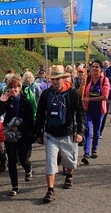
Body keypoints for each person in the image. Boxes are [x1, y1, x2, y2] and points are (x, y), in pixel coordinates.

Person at [35, 65, 85, 203]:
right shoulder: (46, 94)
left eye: (58, 79)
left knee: (70, 161)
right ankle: (50, 190)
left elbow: (80, 113)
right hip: (51, 134)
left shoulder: (72, 93)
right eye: (53, 79)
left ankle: (69, 175)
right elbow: (40, 114)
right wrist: (38, 133)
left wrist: (80, 132)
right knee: (50, 162)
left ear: (63, 78)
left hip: (68, 133)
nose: (55, 82)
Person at [0, 75, 36, 197]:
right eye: (11, 87)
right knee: (12, 160)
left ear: (20, 88)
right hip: (10, 135)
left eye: (16, 87)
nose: (13, 89)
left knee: (23, 159)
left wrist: (19, 127)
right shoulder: (6, 101)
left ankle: (28, 169)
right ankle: (14, 186)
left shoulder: (26, 102)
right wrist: (0, 102)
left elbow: (30, 120)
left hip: (24, 134)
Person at [80, 60, 110, 164]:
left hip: (99, 110)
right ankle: (86, 153)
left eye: (97, 67)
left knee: (97, 131)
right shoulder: (88, 79)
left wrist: (90, 99)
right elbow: (81, 94)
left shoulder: (105, 80)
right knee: (88, 130)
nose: (94, 69)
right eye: (93, 67)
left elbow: (105, 96)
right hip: (88, 109)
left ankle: (94, 149)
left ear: (101, 69)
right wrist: (81, 86)